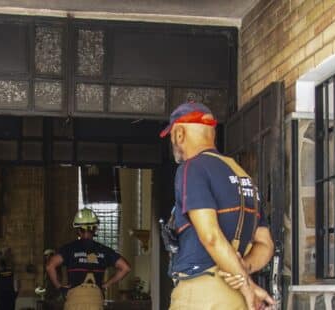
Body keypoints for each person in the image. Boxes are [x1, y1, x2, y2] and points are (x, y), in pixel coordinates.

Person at [160, 101, 276, 310]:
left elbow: (211, 236)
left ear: (179, 134)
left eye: (172, 138)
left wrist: (247, 287)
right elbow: (265, 244)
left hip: (201, 295)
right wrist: (243, 274)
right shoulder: (243, 175)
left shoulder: (192, 168)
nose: (174, 144)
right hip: (235, 298)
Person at [46, 208, 132, 310]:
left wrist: (59, 287)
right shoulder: (104, 250)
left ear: (78, 230)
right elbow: (126, 268)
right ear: (95, 229)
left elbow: (50, 266)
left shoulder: (69, 248)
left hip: (74, 300)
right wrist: (106, 284)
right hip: (95, 300)